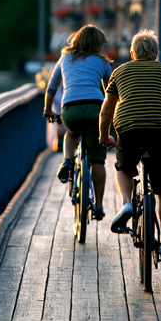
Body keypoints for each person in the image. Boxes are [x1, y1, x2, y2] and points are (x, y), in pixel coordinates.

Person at [98, 30, 161, 263]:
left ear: (132, 53)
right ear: (156, 54)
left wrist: (104, 136)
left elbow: (106, 110)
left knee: (124, 167)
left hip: (129, 131)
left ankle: (127, 203)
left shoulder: (119, 72)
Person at [44, 25, 114, 220]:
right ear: (97, 44)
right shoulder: (102, 62)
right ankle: (99, 206)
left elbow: (51, 88)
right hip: (95, 109)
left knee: (71, 132)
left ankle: (67, 160)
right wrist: (113, 115)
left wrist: (48, 110)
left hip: (71, 108)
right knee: (98, 160)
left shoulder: (65, 58)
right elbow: (111, 91)